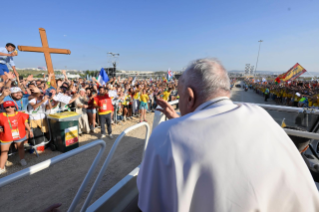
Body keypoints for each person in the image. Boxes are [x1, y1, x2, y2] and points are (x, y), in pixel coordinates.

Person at [137, 58, 319, 212]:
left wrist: (174, 125)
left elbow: (147, 203)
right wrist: (178, 119)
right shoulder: (261, 115)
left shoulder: (166, 135)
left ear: (190, 96)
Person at [0, 100, 33, 174]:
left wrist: (30, 130)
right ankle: (1, 167)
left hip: (19, 134)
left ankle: (22, 159)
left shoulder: (21, 114)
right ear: (4, 108)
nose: (10, 108)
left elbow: (25, 122)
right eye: (7, 107)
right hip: (6, 136)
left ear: (15, 107)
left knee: (21, 147)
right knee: (4, 152)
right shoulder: (1, 115)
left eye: (12, 106)